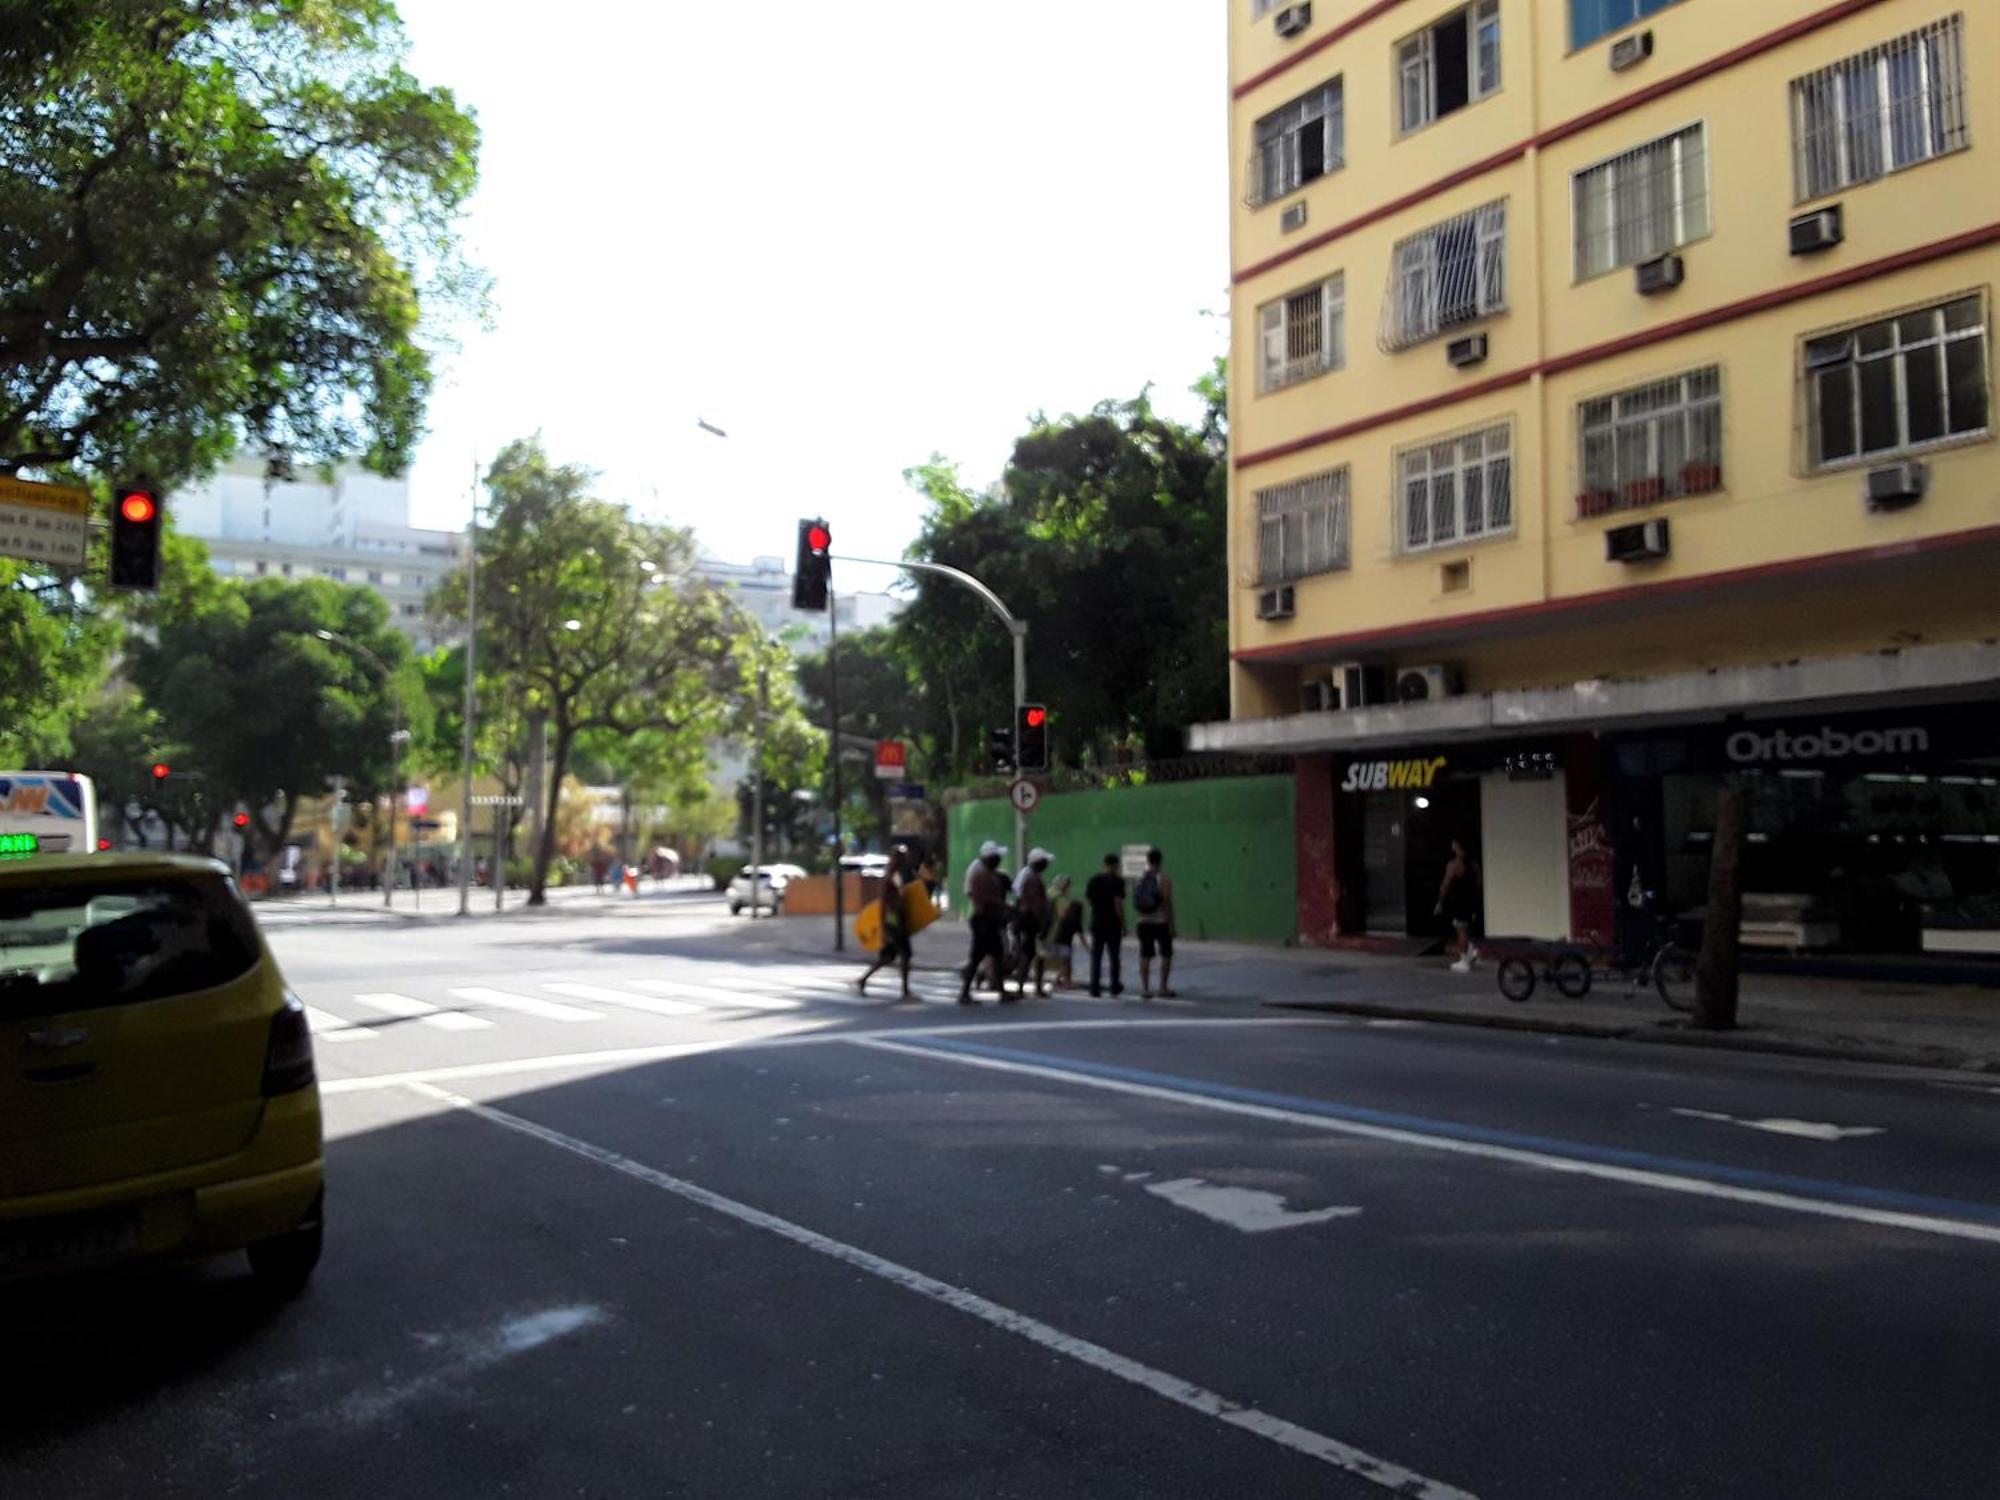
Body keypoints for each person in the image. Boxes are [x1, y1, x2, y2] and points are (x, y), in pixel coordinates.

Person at [856, 847, 915, 1002]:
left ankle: (863, 980)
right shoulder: (890, 877)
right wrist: (884, 929)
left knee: (888, 957)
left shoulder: (896, 876)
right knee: (905, 955)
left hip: (896, 921)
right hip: (894, 923)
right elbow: (884, 903)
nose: (904, 860)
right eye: (901, 857)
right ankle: (905, 990)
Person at [959, 846, 1012, 1004]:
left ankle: (1001, 991)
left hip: (989, 921)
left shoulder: (990, 875)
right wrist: (1004, 906)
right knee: (978, 958)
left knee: (997, 956)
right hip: (984, 922)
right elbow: (985, 900)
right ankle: (965, 992)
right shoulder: (981, 876)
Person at [1134, 846, 1176, 999]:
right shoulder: (1163, 880)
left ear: (1148, 860)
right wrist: (1172, 925)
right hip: (1161, 922)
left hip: (1143, 922)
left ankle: (1145, 989)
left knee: (1145, 955)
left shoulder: (1138, 879)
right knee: (1166, 954)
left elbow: (1137, 902)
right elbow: (1167, 903)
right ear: (1160, 861)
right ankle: (1163, 987)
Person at [1012, 848, 1054, 998]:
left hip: (1026, 921)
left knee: (1030, 954)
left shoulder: (1027, 875)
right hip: (1031, 922)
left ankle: (1028, 986)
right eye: (1044, 862)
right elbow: (1036, 904)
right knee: (1030, 954)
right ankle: (1025, 986)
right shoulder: (1033, 879)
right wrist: (1043, 924)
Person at [1435, 838, 1481, 972]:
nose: (1452, 846)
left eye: (1454, 844)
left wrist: (1440, 902)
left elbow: (1446, 884)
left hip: (1459, 900)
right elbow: (1478, 884)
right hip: (1470, 900)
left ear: (1457, 846)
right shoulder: (1474, 864)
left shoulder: (1454, 864)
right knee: (1464, 927)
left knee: (1460, 929)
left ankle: (1463, 960)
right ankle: (1470, 951)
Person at [1085, 853, 1126, 998]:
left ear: (1104, 864)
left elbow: (1089, 900)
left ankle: (1094, 987)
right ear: (1116, 865)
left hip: (1097, 921)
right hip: (1113, 923)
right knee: (1114, 957)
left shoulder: (1094, 880)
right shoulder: (1118, 881)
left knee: (1097, 956)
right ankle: (1114, 986)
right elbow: (1118, 903)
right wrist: (1123, 923)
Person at [1047, 874, 1081, 990]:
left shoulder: (1049, 894)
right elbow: (1063, 915)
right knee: (1066, 958)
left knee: (1060, 957)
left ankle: (1058, 979)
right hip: (1060, 931)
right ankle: (1067, 981)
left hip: (1050, 931)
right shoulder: (1060, 898)